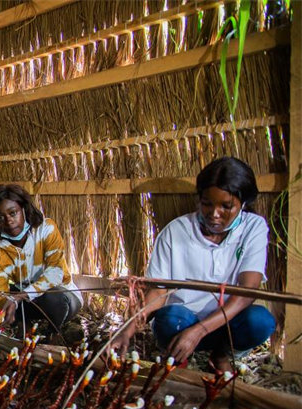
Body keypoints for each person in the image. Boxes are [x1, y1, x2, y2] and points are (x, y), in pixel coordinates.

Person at [109, 157, 276, 372]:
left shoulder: (253, 228)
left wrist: (198, 331)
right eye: (207, 203)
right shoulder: (175, 232)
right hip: (182, 324)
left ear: (242, 204)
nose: (214, 214)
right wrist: (126, 331)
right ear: (200, 199)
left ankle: (221, 354)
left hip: (227, 325)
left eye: (226, 206)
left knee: (260, 321)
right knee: (169, 318)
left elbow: (245, 293)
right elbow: (158, 293)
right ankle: (179, 359)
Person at [0, 184, 81, 340]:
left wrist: (19, 297)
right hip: (23, 300)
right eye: (0, 217)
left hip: (62, 297)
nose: (8, 221)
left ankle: (51, 333)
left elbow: (55, 274)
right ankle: (22, 323)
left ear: (24, 209)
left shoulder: (46, 229)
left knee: (54, 298)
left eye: (13, 213)